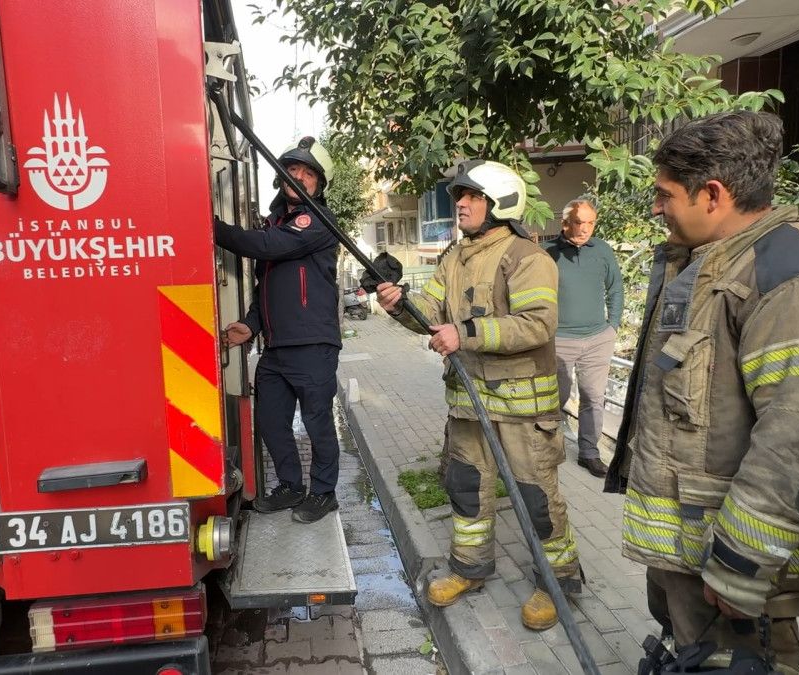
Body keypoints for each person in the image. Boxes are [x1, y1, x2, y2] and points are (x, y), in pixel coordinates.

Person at [605, 111, 799, 672]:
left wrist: (740, 562)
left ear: (712, 194)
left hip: (733, 567)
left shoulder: (797, 286)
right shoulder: (714, 264)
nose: (656, 208)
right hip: (694, 552)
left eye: (664, 195)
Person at [377, 160, 581, 631]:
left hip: (522, 409)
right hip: (469, 404)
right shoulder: (454, 257)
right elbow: (430, 313)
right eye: (459, 197)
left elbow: (537, 324)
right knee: (466, 487)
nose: (461, 204)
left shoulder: (527, 257)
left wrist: (465, 333)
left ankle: (559, 581)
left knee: (536, 498)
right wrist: (398, 305)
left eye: (472, 196)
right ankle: (470, 568)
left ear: (500, 203)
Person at [215, 136, 342, 524]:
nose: (299, 177)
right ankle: (290, 486)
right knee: (271, 420)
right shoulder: (276, 224)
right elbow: (265, 287)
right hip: (277, 348)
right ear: (281, 175)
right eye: (293, 169)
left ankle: (323, 493)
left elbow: (267, 246)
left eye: (309, 173)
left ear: (319, 185)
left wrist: (211, 227)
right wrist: (250, 325)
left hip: (313, 345)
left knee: (318, 424)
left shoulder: (317, 221)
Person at [541, 197, 623, 478]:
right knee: (555, 398)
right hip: (559, 340)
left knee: (593, 398)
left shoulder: (602, 250)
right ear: (565, 223)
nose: (585, 228)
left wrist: (613, 326)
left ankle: (589, 453)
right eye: (579, 222)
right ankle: (547, 449)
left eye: (591, 223)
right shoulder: (547, 253)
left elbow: (615, 288)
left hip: (598, 339)